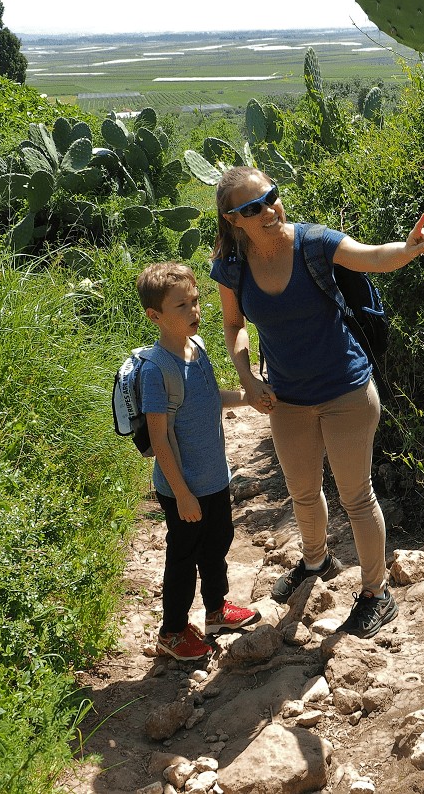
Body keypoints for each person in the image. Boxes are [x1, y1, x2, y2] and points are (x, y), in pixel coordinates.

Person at [208, 166, 424, 639]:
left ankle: (377, 594)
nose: (268, 210)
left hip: (347, 392)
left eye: (270, 197)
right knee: (303, 491)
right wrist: (247, 377)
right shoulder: (231, 266)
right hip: (288, 399)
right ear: (234, 220)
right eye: (252, 208)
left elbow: (371, 257)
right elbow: (234, 326)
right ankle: (316, 561)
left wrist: (410, 248)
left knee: (356, 496)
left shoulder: (313, 242)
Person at [137, 261, 260, 661]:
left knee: (217, 545)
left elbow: (209, 400)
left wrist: (249, 397)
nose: (194, 311)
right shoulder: (158, 370)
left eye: (195, 301)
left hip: (214, 478)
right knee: (183, 558)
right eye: (181, 306)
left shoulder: (199, 347)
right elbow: (159, 438)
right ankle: (172, 631)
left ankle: (217, 611)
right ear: (155, 315)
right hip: (183, 488)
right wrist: (184, 494)